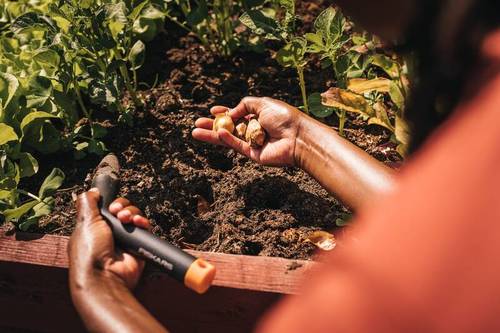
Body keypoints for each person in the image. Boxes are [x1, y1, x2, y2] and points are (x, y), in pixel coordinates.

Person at [69, 0, 500, 332]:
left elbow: (435, 248)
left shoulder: (383, 294)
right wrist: (304, 141)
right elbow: (436, 221)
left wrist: (97, 288)